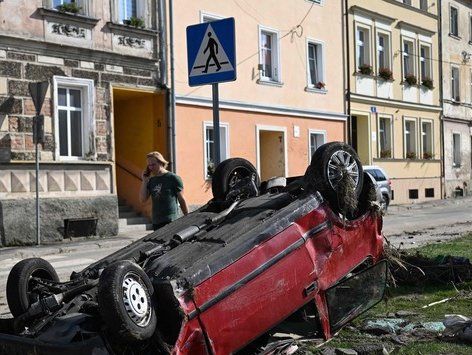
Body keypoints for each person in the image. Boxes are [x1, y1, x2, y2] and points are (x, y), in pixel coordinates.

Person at [139, 151, 188, 230]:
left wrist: (187, 216)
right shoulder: (151, 180)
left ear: (161, 163)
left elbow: (181, 199)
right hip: (156, 221)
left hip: (171, 220)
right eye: (149, 165)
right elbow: (143, 199)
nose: (151, 168)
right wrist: (144, 181)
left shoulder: (173, 178)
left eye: (153, 164)